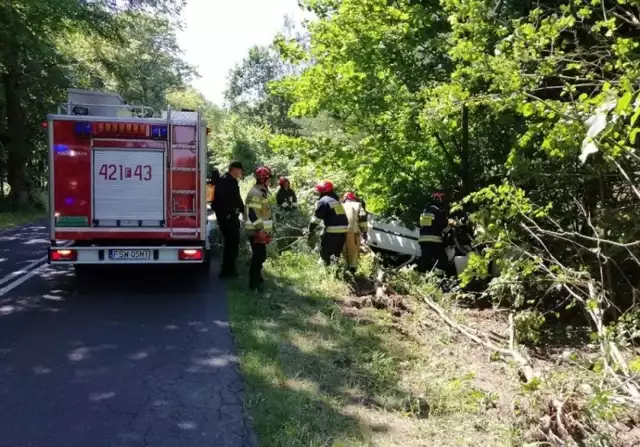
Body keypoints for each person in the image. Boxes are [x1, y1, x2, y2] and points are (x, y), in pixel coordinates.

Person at [212, 161, 244, 278]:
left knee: (232, 243)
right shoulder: (227, 181)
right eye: (239, 169)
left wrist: (241, 209)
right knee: (231, 243)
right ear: (234, 169)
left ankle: (229, 268)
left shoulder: (227, 180)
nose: (240, 172)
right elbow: (231, 199)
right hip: (228, 218)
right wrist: (229, 214)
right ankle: (227, 271)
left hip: (228, 217)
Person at [244, 166, 274, 291]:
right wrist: (260, 229)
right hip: (256, 230)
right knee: (258, 256)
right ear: (265, 179)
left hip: (260, 230)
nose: (270, 181)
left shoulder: (262, 191)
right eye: (269, 178)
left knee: (261, 255)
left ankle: (258, 279)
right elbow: (253, 213)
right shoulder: (256, 193)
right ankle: (254, 284)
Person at [307, 180, 348, 266]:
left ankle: (325, 272)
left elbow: (316, 220)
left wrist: (310, 230)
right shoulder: (336, 200)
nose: (318, 194)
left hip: (332, 233)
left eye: (319, 192)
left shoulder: (324, 200)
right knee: (335, 256)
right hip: (343, 233)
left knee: (325, 254)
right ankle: (334, 273)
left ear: (323, 192)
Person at [417, 191, 449, 274]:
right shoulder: (438, 211)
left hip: (423, 240)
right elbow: (444, 228)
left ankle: (420, 279)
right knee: (443, 260)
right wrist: (451, 225)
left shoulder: (425, 210)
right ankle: (437, 278)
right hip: (434, 240)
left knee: (424, 261)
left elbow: (424, 225)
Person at [341, 192, 368, 274]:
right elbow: (363, 218)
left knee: (343, 250)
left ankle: (343, 268)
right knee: (353, 251)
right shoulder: (358, 205)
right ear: (353, 198)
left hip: (339, 231)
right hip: (353, 232)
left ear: (345, 198)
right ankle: (352, 270)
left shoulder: (339, 205)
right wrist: (364, 232)